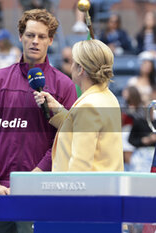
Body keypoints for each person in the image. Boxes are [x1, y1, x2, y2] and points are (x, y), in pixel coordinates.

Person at [0, 9, 77, 233]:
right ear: (20, 36)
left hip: (39, 192)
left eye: (41, 36)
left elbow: (64, 142)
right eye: (30, 35)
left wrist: (30, 181)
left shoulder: (64, 85)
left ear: (50, 40)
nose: (35, 41)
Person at [34, 39, 124, 171]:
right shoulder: (108, 97)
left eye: (72, 62)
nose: (70, 67)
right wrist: (58, 109)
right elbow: (80, 128)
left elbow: (80, 166)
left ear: (80, 69)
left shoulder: (88, 106)